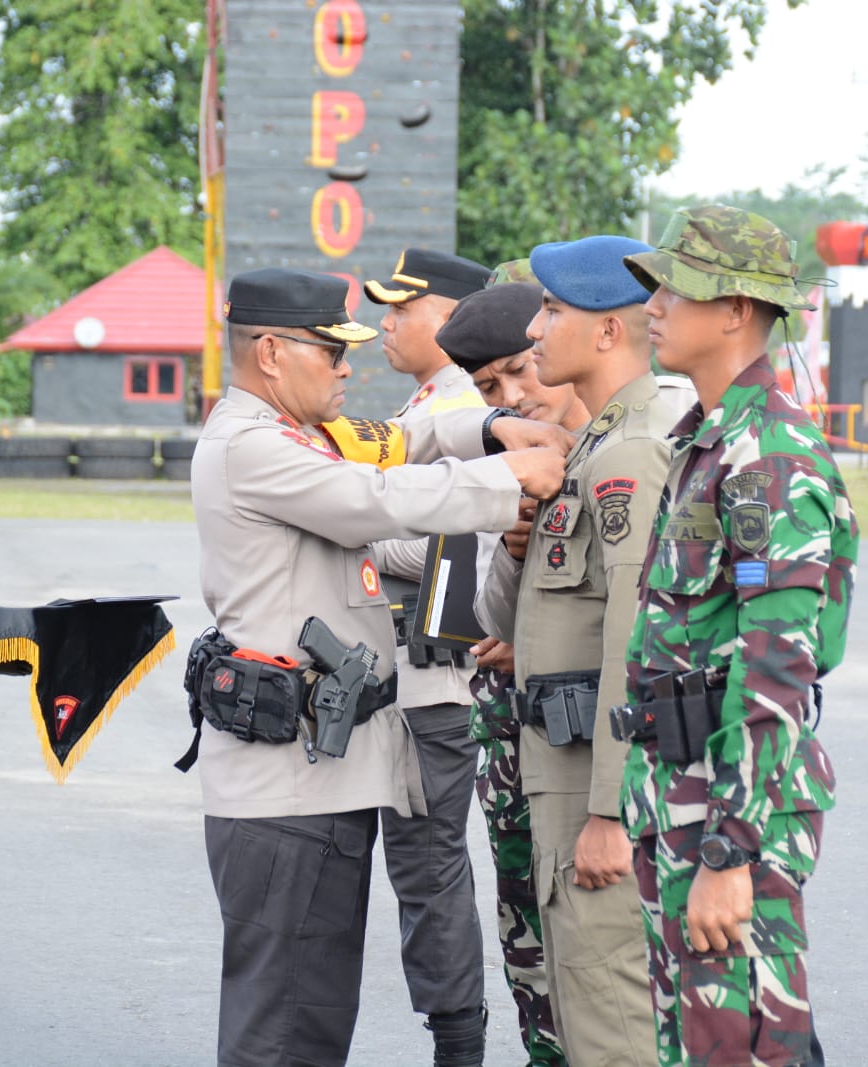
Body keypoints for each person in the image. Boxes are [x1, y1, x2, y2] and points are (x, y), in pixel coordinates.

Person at [187, 268, 568, 1067]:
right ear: (269, 353)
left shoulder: (294, 430)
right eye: (330, 351)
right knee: (283, 1029)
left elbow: (407, 437)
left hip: (316, 781)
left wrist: (492, 428)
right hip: (283, 792)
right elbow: (378, 498)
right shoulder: (253, 444)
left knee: (313, 1018)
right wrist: (509, 477)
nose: (345, 367)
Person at [616, 205, 859, 1067]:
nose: (652, 305)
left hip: (728, 814)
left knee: (743, 1047)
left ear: (734, 311)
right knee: (698, 1044)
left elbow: (776, 672)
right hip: (679, 800)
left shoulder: (768, 458)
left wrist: (729, 848)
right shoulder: (708, 443)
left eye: (674, 287)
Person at [478, 234, 672, 1067]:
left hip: (594, 802)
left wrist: (608, 812)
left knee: (615, 1033)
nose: (536, 330)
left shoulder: (632, 451)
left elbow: (635, 644)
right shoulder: (594, 446)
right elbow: (510, 622)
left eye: (554, 311)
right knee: (584, 1022)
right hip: (560, 785)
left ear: (606, 333)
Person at [435, 279, 589, 1067]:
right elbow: (454, 586)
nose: (514, 395)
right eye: (489, 386)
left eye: (520, 370)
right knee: (527, 930)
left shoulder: (636, 450)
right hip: (507, 722)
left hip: (600, 745)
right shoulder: (484, 441)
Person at [361, 247, 494, 1056]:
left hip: (432, 687)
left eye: (398, 308)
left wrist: (354, 530)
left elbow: (472, 544)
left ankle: (458, 1045)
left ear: (444, 319)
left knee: (428, 867)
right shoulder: (430, 403)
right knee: (420, 868)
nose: (384, 323)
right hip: (400, 681)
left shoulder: (468, 406)